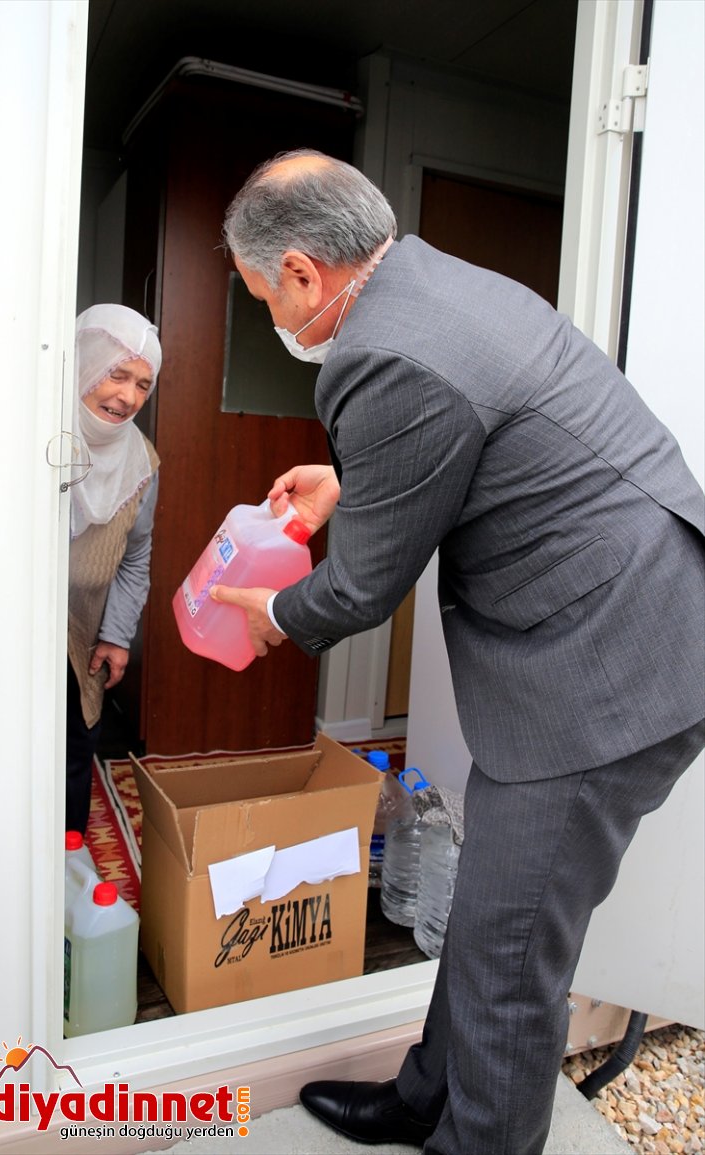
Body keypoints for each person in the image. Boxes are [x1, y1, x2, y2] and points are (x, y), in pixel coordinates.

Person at [213, 150, 705, 1155]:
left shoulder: (384, 353)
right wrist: (354, 484)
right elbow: (471, 434)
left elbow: (355, 588)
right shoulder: (434, 280)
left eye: (263, 292)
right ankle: (424, 1094)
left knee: (508, 949)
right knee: (494, 914)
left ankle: (472, 1136)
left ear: (303, 273)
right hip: (631, 616)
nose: (270, 309)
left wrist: (275, 615)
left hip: (605, 668)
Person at [66, 304, 161, 835]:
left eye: (143, 384)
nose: (128, 397)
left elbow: (135, 556)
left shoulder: (142, 463)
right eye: (116, 373)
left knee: (76, 751)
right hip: (14, 633)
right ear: (82, 362)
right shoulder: (33, 435)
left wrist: (118, 636)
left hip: (83, 634)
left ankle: (66, 871)